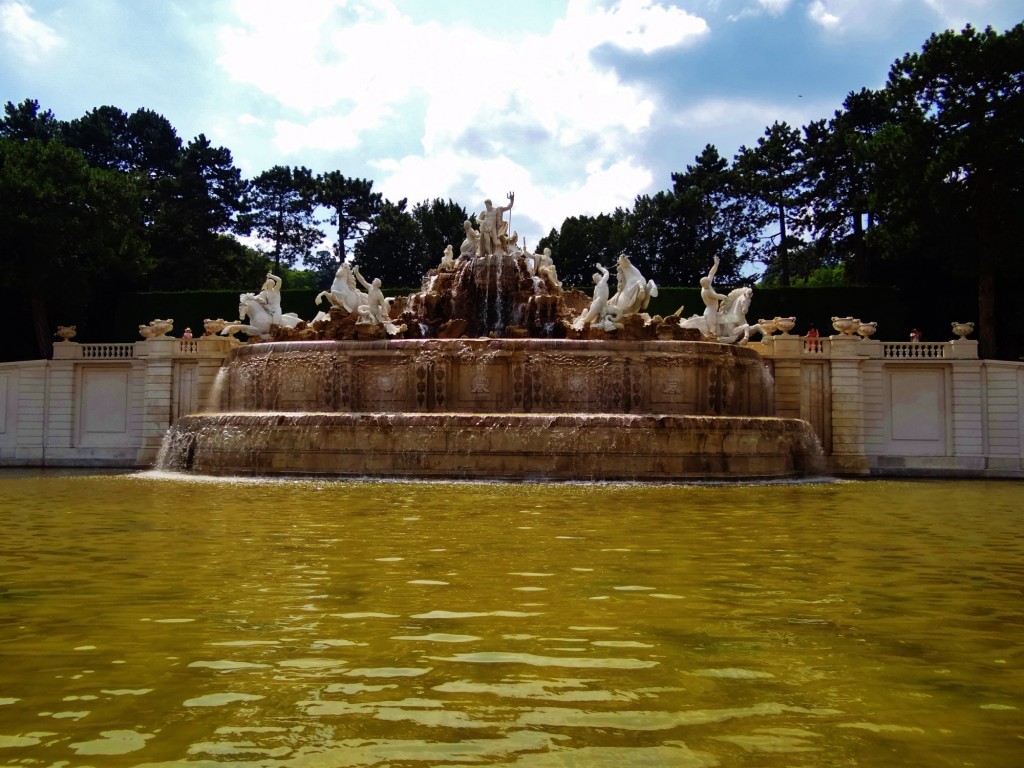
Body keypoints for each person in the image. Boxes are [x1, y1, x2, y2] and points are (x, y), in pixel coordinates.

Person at [699, 256, 729, 336]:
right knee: (713, 329)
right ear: (703, 284)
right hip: (710, 312)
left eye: (709, 283)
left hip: (713, 310)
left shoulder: (707, 285)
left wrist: (716, 264)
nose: (709, 284)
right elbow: (717, 296)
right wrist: (726, 297)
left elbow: (711, 273)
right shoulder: (706, 291)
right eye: (707, 283)